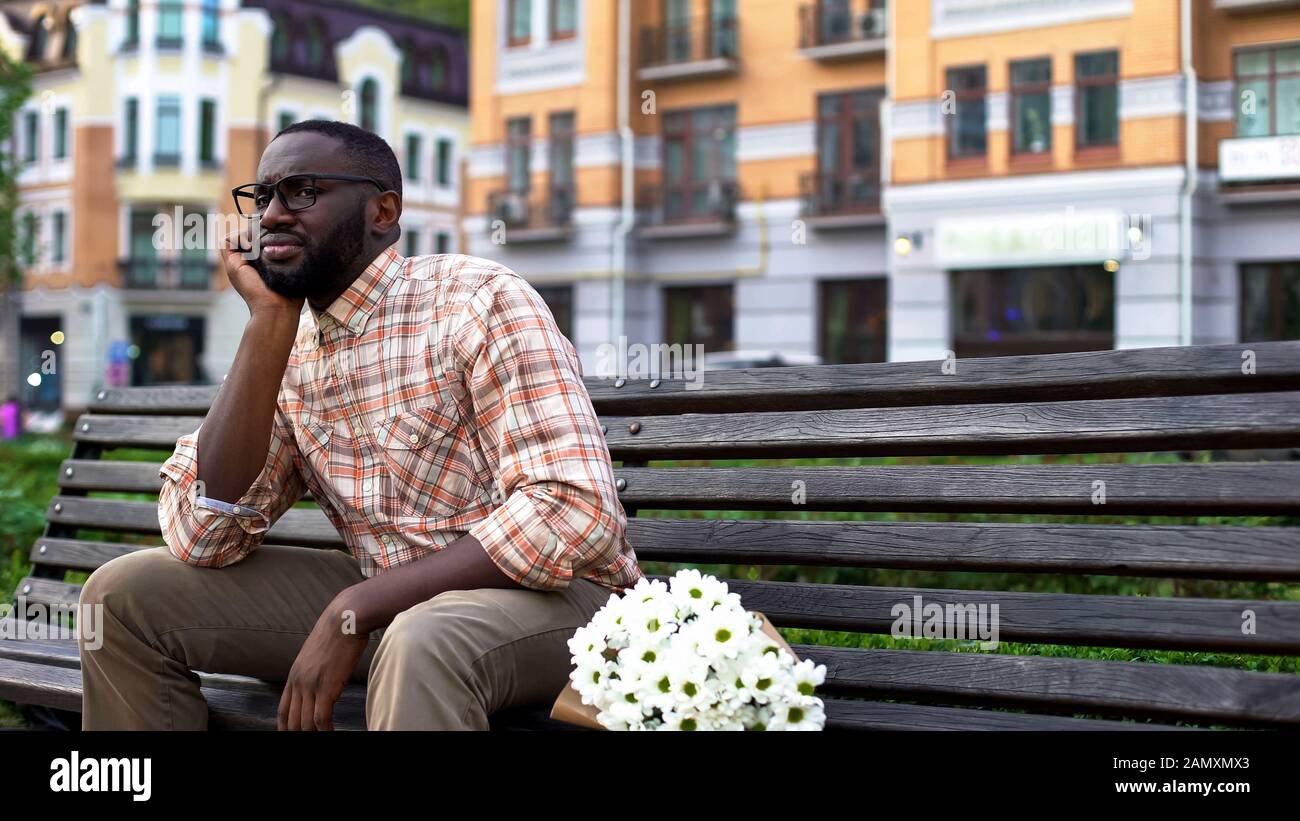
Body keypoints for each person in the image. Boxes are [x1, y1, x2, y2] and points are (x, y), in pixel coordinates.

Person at [77, 120, 643, 730]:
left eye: (303, 191)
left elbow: (572, 510)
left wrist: (362, 604)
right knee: (123, 597)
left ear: (382, 211)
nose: (271, 215)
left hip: (563, 606)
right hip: (394, 607)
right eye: (263, 196)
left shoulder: (477, 300)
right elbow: (202, 535)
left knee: (424, 637)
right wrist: (267, 322)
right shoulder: (287, 347)